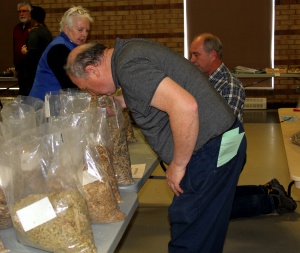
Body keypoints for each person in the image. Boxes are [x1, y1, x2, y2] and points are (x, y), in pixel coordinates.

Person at [65, 39, 247, 253]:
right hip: (225, 138)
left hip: (208, 150)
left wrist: (178, 165)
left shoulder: (128, 68)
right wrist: (123, 102)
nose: (92, 94)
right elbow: (154, 86)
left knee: (192, 230)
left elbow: (186, 107)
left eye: (87, 88)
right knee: (207, 227)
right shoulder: (129, 51)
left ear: (92, 70)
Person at [189, 33, 297, 219]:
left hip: (226, 152)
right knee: (212, 197)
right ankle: (267, 190)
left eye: (196, 55)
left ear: (213, 55)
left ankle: (273, 202)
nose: (191, 60)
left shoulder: (229, 85)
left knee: (209, 209)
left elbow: (220, 129)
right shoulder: (206, 81)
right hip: (215, 150)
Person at [29, 6, 93, 101]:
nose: (85, 34)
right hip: (44, 108)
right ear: (66, 29)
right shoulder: (58, 49)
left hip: (53, 105)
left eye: (87, 30)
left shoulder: (68, 46)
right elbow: (71, 84)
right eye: (80, 30)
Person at [21, 6, 52, 96]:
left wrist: (25, 51)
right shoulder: (46, 31)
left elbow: (32, 54)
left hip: (34, 72)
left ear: (32, 17)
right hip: (44, 70)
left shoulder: (35, 32)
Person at [13, 1, 32, 96]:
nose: (21, 14)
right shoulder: (17, 28)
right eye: (19, 11)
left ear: (30, 12)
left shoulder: (33, 28)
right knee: (22, 93)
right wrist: (16, 67)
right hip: (20, 69)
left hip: (30, 69)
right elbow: (14, 47)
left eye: (24, 11)